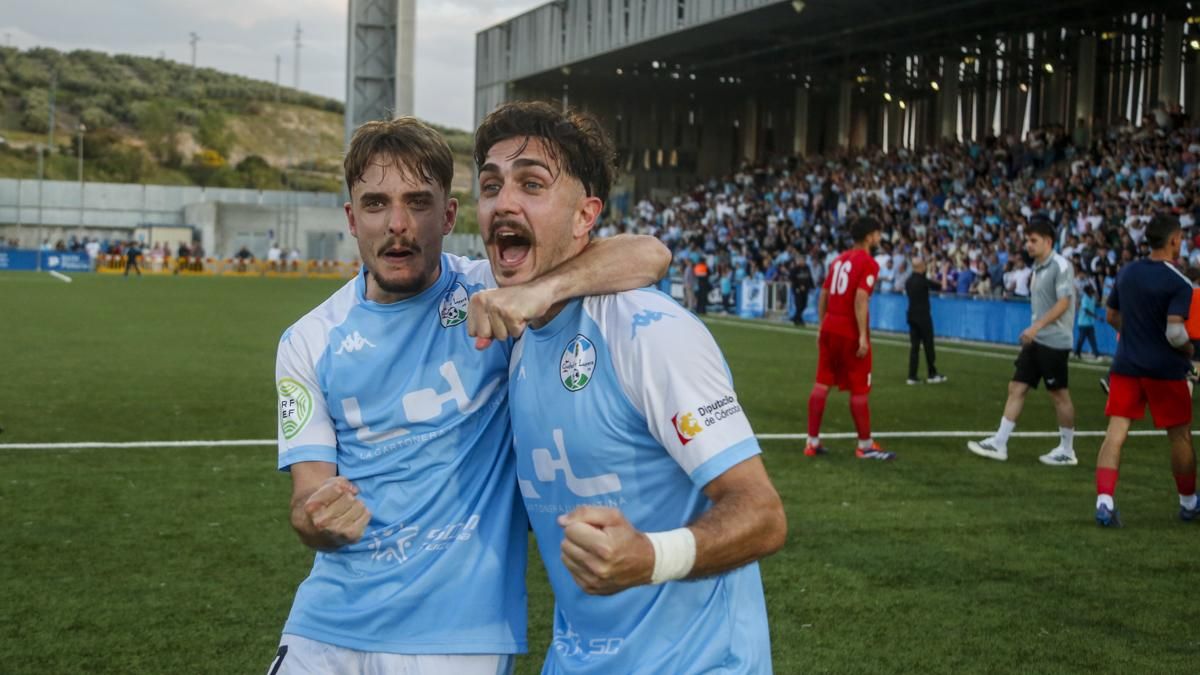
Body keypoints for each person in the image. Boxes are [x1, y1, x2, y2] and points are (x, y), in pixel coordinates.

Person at [270, 116, 669, 675]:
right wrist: (318, 519)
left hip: (456, 636)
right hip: (327, 624)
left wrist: (538, 295)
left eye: (418, 202)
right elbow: (306, 500)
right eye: (377, 204)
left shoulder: (496, 293)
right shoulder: (308, 341)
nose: (399, 225)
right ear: (351, 219)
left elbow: (649, 254)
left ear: (450, 214)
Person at [473, 100, 786, 674]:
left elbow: (762, 513)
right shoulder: (511, 334)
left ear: (585, 215)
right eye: (490, 186)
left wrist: (651, 556)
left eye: (532, 184)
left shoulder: (648, 332)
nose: (504, 202)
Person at [1093, 214, 1196, 527]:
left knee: (1115, 433)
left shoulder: (1127, 272)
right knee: (1179, 437)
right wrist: (1190, 350)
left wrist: (1136, 332)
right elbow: (1176, 334)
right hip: (1165, 369)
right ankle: (1189, 503)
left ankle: (1105, 502)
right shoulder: (1179, 282)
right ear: (1174, 239)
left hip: (1126, 365)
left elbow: (1111, 315)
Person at [968, 215, 1078, 465]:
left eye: (1033, 240)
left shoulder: (1060, 266)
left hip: (1054, 341)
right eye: (1027, 240)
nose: (1028, 245)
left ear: (1048, 241)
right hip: (1037, 340)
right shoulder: (1038, 267)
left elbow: (1064, 302)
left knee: (1059, 394)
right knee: (1016, 387)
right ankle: (999, 443)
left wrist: (1037, 325)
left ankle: (1067, 449)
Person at [805, 217, 895, 460]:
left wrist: (821, 325)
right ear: (868, 237)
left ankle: (812, 441)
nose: (879, 238)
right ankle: (865, 446)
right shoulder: (868, 263)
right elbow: (860, 298)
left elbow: (823, 294)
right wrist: (863, 336)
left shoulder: (838, 259)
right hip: (849, 330)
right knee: (859, 387)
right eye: (877, 233)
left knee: (822, 383)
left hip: (830, 327)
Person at [904, 258, 946, 385]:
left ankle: (912, 376)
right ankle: (932, 374)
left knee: (914, 348)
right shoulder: (922, 281)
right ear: (920, 267)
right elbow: (942, 287)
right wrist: (944, 272)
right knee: (928, 346)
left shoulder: (909, 281)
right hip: (923, 317)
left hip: (911, 316)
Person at [1074, 285, 1100, 359]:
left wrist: (1096, 293)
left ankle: (1096, 354)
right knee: (1081, 339)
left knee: (1093, 339)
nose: (1092, 290)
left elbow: (1097, 301)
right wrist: (1096, 317)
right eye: (1091, 289)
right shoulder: (1085, 298)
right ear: (1088, 291)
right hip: (1083, 323)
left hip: (1090, 323)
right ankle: (1077, 352)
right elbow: (1086, 310)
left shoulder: (1092, 298)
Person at [788, 255, 814, 326]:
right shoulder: (795, 269)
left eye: (803, 261)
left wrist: (812, 286)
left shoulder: (807, 268)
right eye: (801, 261)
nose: (802, 262)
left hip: (805, 289)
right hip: (797, 289)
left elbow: (809, 277)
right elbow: (791, 278)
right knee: (799, 305)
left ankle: (795, 317)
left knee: (804, 305)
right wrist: (799, 286)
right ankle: (799, 320)